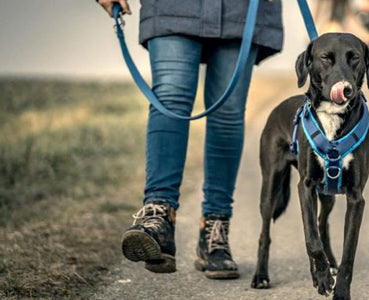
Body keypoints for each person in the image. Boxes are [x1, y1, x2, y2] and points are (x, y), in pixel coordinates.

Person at [96, 0, 283, 279]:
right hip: (173, 6)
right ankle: (159, 216)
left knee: (228, 111)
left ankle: (215, 229)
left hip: (240, 8)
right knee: (169, 97)